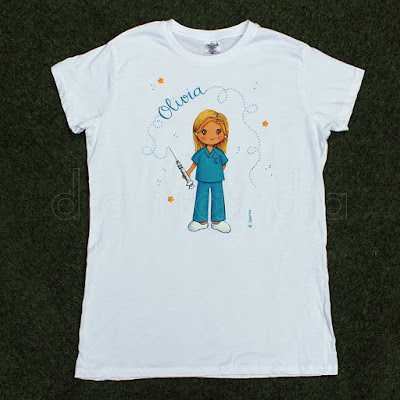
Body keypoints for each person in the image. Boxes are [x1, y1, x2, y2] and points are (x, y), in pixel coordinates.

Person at [182, 109, 231, 233]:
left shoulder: (219, 152)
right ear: (197, 133)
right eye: (204, 131)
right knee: (201, 197)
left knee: (218, 197)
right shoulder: (201, 152)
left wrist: (217, 171)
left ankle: (217, 221)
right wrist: (188, 172)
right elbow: (194, 163)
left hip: (217, 179)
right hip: (202, 178)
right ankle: (201, 221)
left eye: (218, 131)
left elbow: (224, 164)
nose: (212, 136)